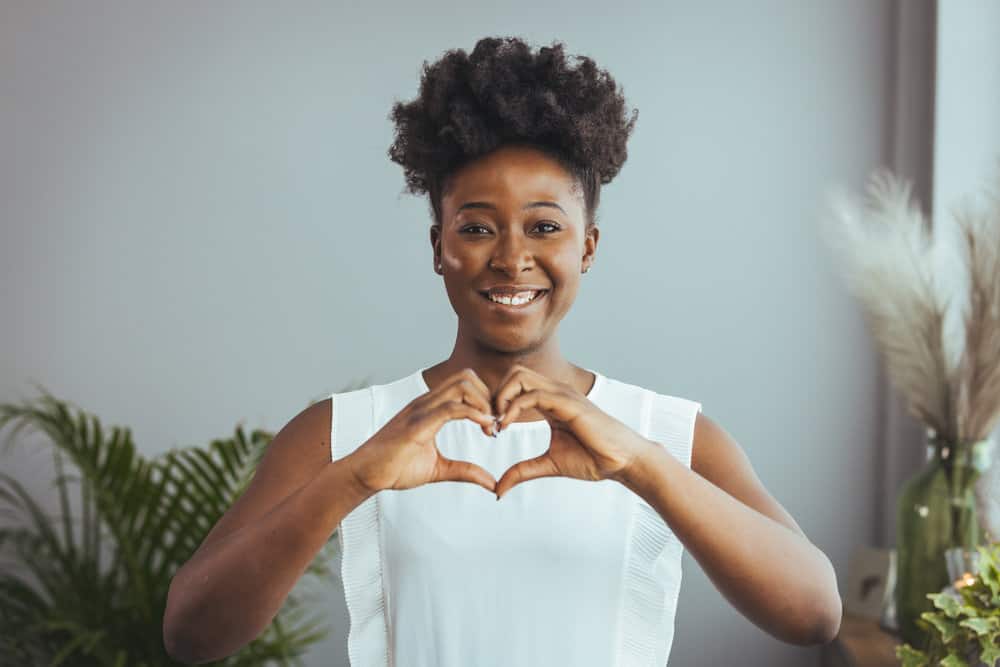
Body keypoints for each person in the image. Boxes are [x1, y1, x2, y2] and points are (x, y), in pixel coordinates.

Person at [163, 36, 842, 666]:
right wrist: (357, 477)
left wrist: (640, 464)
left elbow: (815, 612)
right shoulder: (345, 432)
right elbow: (190, 632)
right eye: (478, 227)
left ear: (588, 247)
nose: (512, 258)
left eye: (544, 226)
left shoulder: (667, 434)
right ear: (439, 247)